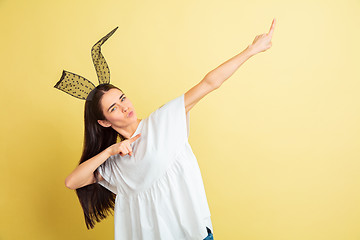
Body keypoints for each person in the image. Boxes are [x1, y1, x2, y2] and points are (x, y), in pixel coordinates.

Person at [61, 18, 276, 240]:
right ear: (105, 122)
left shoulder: (163, 122)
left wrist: (250, 50)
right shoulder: (114, 165)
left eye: (123, 98)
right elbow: (72, 182)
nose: (125, 107)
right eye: (114, 108)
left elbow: (209, 83)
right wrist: (108, 152)